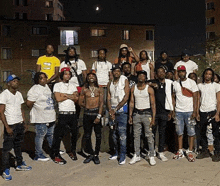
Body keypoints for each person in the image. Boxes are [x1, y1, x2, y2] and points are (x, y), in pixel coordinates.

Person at [0, 74, 32, 181]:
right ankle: (5, 169)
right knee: (7, 149)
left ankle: (19, 164)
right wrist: (7, 127)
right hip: (10, 125)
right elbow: (1, 112)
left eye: (17, 81)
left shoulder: (18, 94)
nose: (16, 82)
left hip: (19, 124)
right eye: (13, 81)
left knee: (18, 145)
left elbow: (21, 109)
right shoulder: (4, 94)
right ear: (8, 83)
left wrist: (24, 122)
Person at [50, 67, 79, 165]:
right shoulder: (57, 85)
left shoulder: (73, 85)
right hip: (63, 113)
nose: (68, 75)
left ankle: (72, 151)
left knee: (74, 133)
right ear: (62, 75)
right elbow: (58, 98)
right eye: (66, 74)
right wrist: (70, 95)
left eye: (69, 74)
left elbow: (76, 98)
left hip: (73, 113)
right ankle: (55, 154)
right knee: (58, 135)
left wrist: (65, 95)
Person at [128, 70, 156, 166]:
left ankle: (151, 155)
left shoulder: (149, 89)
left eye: (143, 76)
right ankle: (137, 154)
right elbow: (131, 102)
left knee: (149, 135)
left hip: (147, 113)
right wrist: (130, 115)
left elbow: (153, 104)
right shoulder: (133, 88)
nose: (141, 77)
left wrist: (153, 117)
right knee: (136, 135)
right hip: (136, 113)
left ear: (145, 78)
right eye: (139, 76)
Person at [27, 72, 56, 161]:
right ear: (37, 80)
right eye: (41, 78)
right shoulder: (34, 89)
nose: (44, 79)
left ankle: (53, 150)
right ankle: (38, 154)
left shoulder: (46, 86)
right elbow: (29, 103)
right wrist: (38, 108)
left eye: (45, 78)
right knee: (40, 135)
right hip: (40, 117)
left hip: (50, 115)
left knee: (50, 134)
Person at [172, 65, 198, 162]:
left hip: (189, 110)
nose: (181, 73)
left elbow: (195, 97)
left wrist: (195, 111)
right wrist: (173, 110)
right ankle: (180, 151)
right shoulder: (175, 83)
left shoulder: (191, 82)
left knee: (191, 132)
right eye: (180, 71)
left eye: (183, 71)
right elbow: (173, 97)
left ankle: (190, 151)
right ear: (178, 73)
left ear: (186, 72)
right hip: (179, 111)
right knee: (179, 132)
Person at [149, 67, 173, 162]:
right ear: (156, 74)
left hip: (164, 111)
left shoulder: (169, 83)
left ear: (165, 73)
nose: (161, 73)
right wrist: (151, 84)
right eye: (159, 72)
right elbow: (144, 82)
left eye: (162, 72)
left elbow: (172, 97)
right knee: (152, 133)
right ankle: (152, 151)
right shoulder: (153, 82)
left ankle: (160, 152)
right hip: (154, 112)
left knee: (162, 133)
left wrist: (171, 111)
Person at [79, 72, 104, 164]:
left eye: (93, 76)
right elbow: (80, 101)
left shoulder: (99, 89)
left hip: (96, 113)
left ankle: (96, 154)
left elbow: (101, 103)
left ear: (96, 78)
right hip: (87, 114)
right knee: (87, 135)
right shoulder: (84, 89)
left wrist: (99, 115)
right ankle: (90, 153)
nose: (91, 78)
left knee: (98, 135)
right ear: (87, 79)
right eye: (89, 76)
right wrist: (86, 106)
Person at [107, 64, 130, 165]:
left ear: (120, 72)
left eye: (117, 71)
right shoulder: (110, 83)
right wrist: (110, 110)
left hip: (122, 110)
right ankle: (116, 153)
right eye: (114, 71)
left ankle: (123, 155)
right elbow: (108, 97)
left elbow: (126, 97)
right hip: (112, 110)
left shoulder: (124, 80)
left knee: (122, 134)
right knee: (113, 134)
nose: (116, 72)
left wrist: (116, 109)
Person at [196, 68, 220, 161]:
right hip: (203, 111)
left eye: (210, 74)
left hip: (213, 111)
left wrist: (218, 113)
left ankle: (217, 152)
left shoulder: (216, 86)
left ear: (212, 76)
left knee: (216, 134)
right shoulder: (200, 86)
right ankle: (205, 151)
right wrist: (197, 112)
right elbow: (198, 99)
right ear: (204, 75)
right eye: (206, 74)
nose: (208, 76)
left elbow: (218, 101)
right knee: (202, 133)